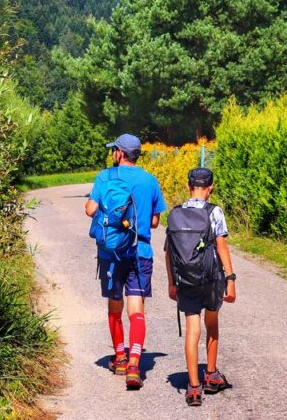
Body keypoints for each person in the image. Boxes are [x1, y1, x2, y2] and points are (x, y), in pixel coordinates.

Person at [85, 133, 167, 390]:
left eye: (114, 151)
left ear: (120, 153)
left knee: (114, 307)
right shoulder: (150, 181)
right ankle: (134, 364)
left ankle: (119, 357)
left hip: (112, 254)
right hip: (140, 251)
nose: (112, 154)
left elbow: (89, 209)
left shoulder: (105, 177)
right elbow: (155, 222)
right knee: (137, 310)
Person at [164, 167, 237, 407]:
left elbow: (169, 252)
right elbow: (222, 246)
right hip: (211, 277)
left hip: (185, 278)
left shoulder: (176, 213)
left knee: (192, 329)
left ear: (188, 186)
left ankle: (193, 388)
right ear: (210, 187)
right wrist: (231, 279)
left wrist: (172, 282)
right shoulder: (214, 211)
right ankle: (211, 375)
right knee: (212, 323)